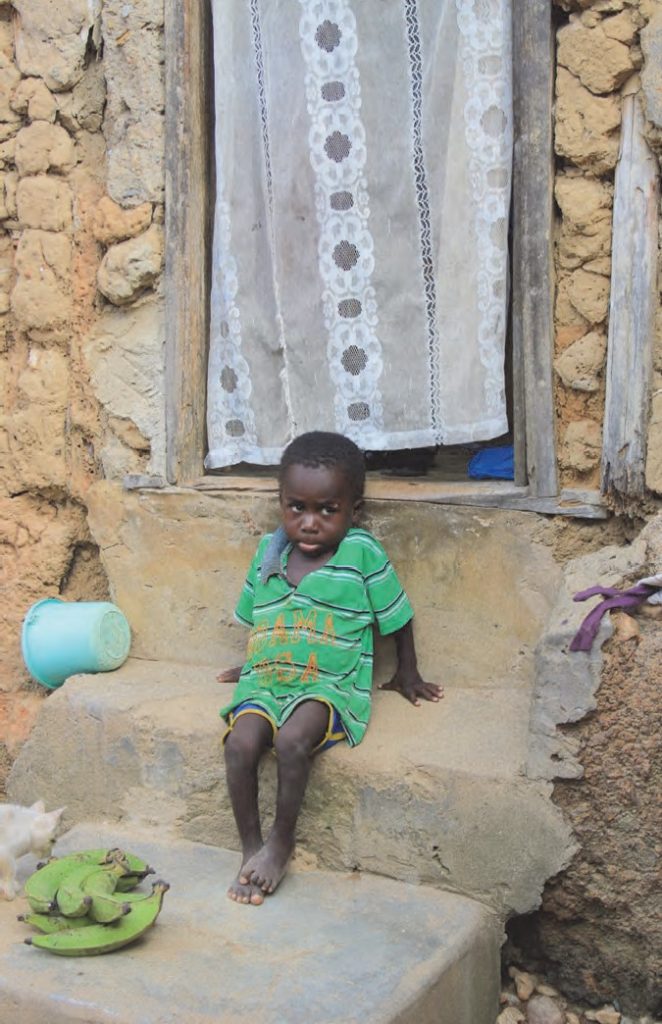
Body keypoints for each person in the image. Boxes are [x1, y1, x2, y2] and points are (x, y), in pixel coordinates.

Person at [217, 431, 443, 905]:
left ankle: (280, 843)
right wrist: (253, 661)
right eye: (296, 508)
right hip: (268, 676)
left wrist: (408, 673)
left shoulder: (361, 554)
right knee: (241, 741)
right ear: (281, 503)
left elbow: (398, 617)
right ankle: (249, 847)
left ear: (353, 511)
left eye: (327, 510)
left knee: (292, 739)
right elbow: (261, 613)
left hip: (330, 683)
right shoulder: (268, 553)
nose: (310, 523)